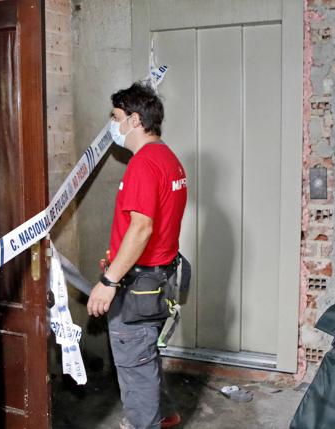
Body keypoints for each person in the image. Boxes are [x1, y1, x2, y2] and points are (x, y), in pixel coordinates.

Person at [87, 82, 187, 429]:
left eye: (115, 117)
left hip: (138, 284)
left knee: (134, 364)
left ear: (133, 119)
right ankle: (167, 414)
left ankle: (147, 421)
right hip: (160, 278)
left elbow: (142, 229)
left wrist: (109, 280)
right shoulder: (168, 158)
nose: (113, 125)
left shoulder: (143, 164)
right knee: (146, 354)